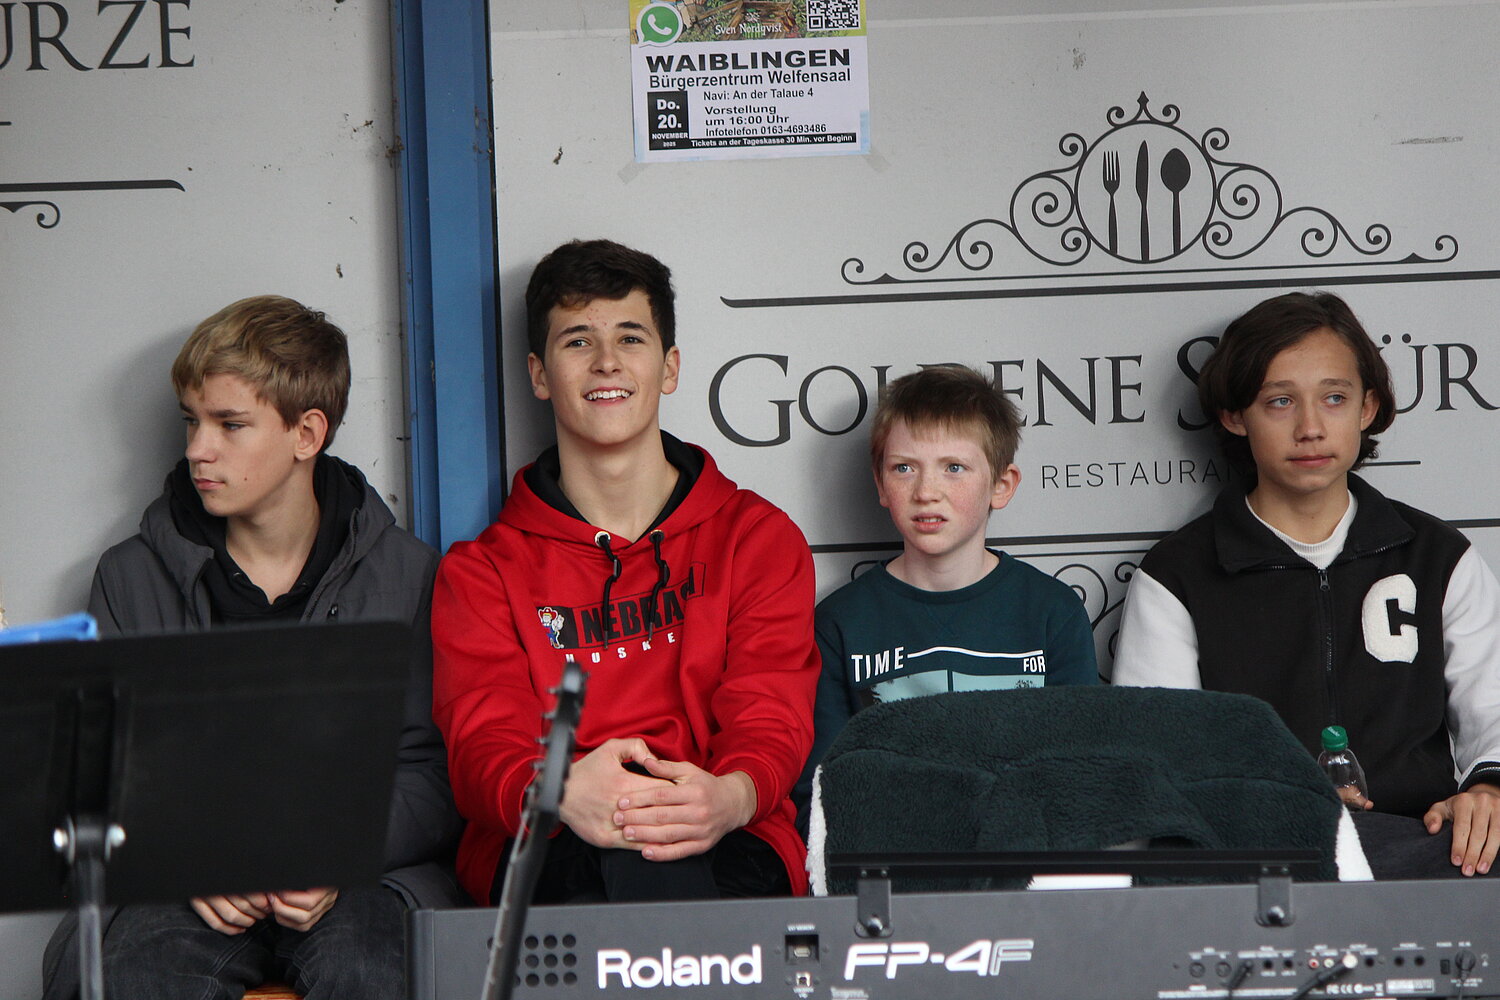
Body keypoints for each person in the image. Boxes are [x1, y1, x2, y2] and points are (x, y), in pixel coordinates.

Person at [43, 296, 463, 1000]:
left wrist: (334, 850)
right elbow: (94, 774)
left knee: (374, 972)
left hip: (358, 876)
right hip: (184, 882)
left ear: (307, 433)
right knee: (131, 979)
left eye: (229, 425)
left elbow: (434, 771)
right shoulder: (130, 576)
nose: (196, 449)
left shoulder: (408, 574)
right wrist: (187, 855)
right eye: (191, 420)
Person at [431, 239, 818, 905]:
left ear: (669, 368)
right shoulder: (482, 573)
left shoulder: (755, 538)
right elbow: (482, 744)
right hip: (551, 834)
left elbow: (770, 712)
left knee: (669, 882)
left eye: (630, 338)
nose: (606, 360)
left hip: (723, 825)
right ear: (539, 375)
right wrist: (556, 792)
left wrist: (730, 795)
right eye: (578, 340)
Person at [1114, 291, 1500, 878]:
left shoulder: (1439, 556)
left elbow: (1491, 711)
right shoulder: (1177, 575)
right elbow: (1161, 763)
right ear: (1234, 416)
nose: (1311, 428)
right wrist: (1280, 808)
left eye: (1334, 398)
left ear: (1368, 408)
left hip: (1418, 847)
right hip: (1259, 857)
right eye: (1279, 402)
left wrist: (1487, 792)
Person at [795, 365, 1099, 831]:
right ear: (880, 484)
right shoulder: (840, 622)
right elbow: (822, 794)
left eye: (953, 468)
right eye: (904, 468)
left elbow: (1081, 774)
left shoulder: (1051, 612)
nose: (926, 492)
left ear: (1001, 485)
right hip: (892, 859)